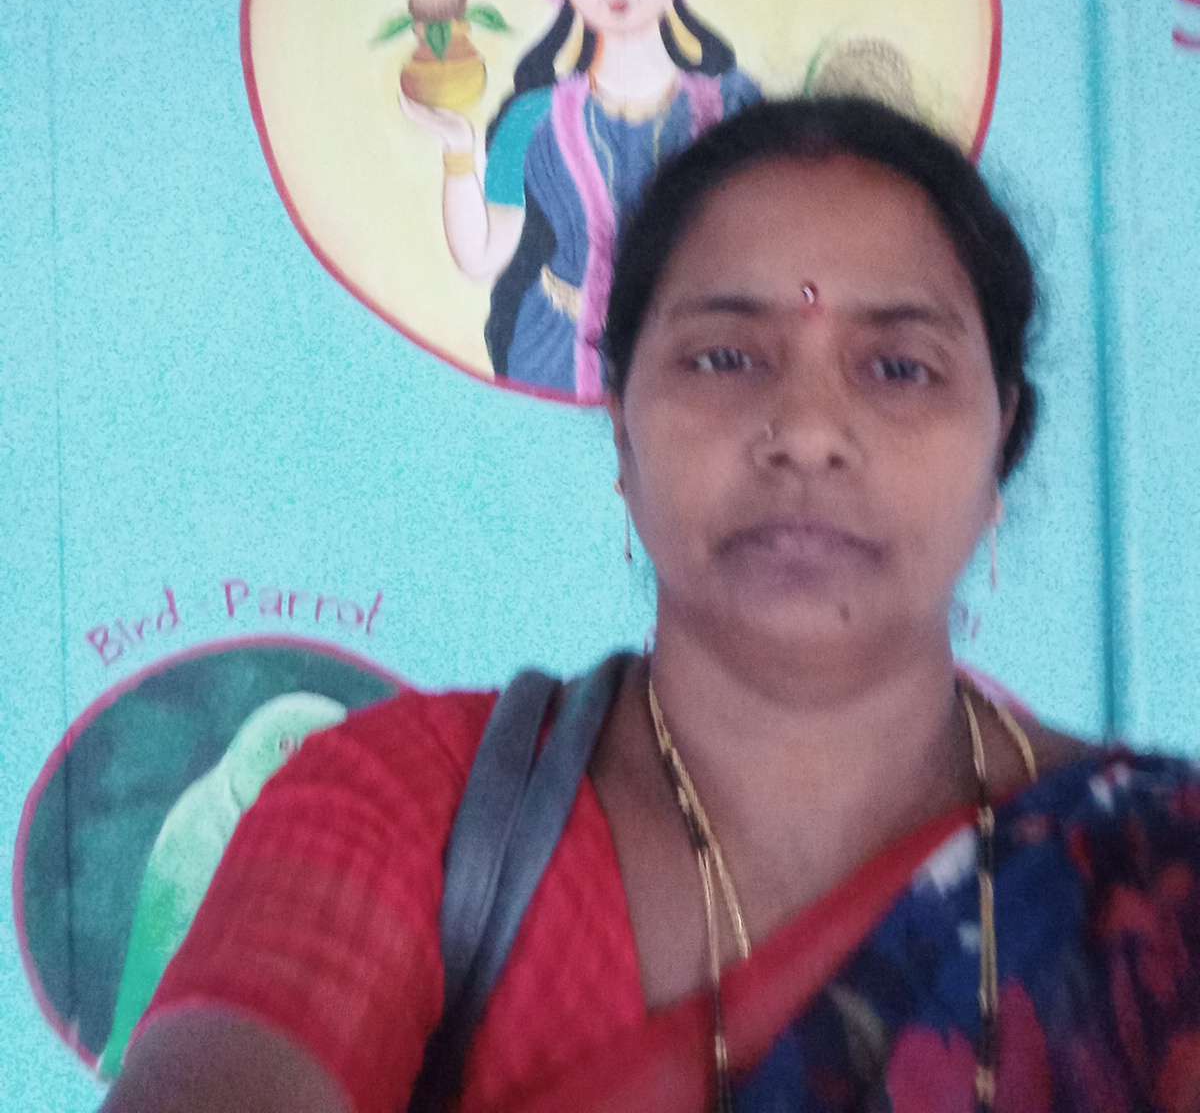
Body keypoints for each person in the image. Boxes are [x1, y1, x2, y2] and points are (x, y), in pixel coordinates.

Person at [103, 96, 1200, 1113]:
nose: (807, 431)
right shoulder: (407, 810)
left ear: (1002, 445)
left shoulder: (1157, 876)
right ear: (622, 435)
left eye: (899, 368)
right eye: (724, 357)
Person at [400, 0, 759, 401]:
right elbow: (481, 257)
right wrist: (458, 151)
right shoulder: (531, 119)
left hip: (707, 361)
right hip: (555, 352)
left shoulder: (735, 108)